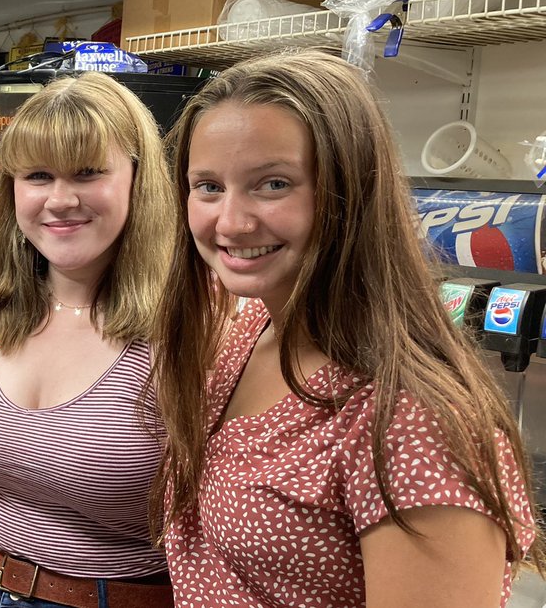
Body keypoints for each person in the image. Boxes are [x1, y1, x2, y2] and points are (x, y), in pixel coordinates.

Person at [152, 49, 544, 608]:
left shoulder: (413, 422)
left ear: (352, 194)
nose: (231, 222)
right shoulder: (256, 329)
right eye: (208, 186)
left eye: (273, 184)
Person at [0, 71, 176, 608]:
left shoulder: (187, 323)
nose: (60, 199)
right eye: (37, 175)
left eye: (87, 172)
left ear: (137, 179)